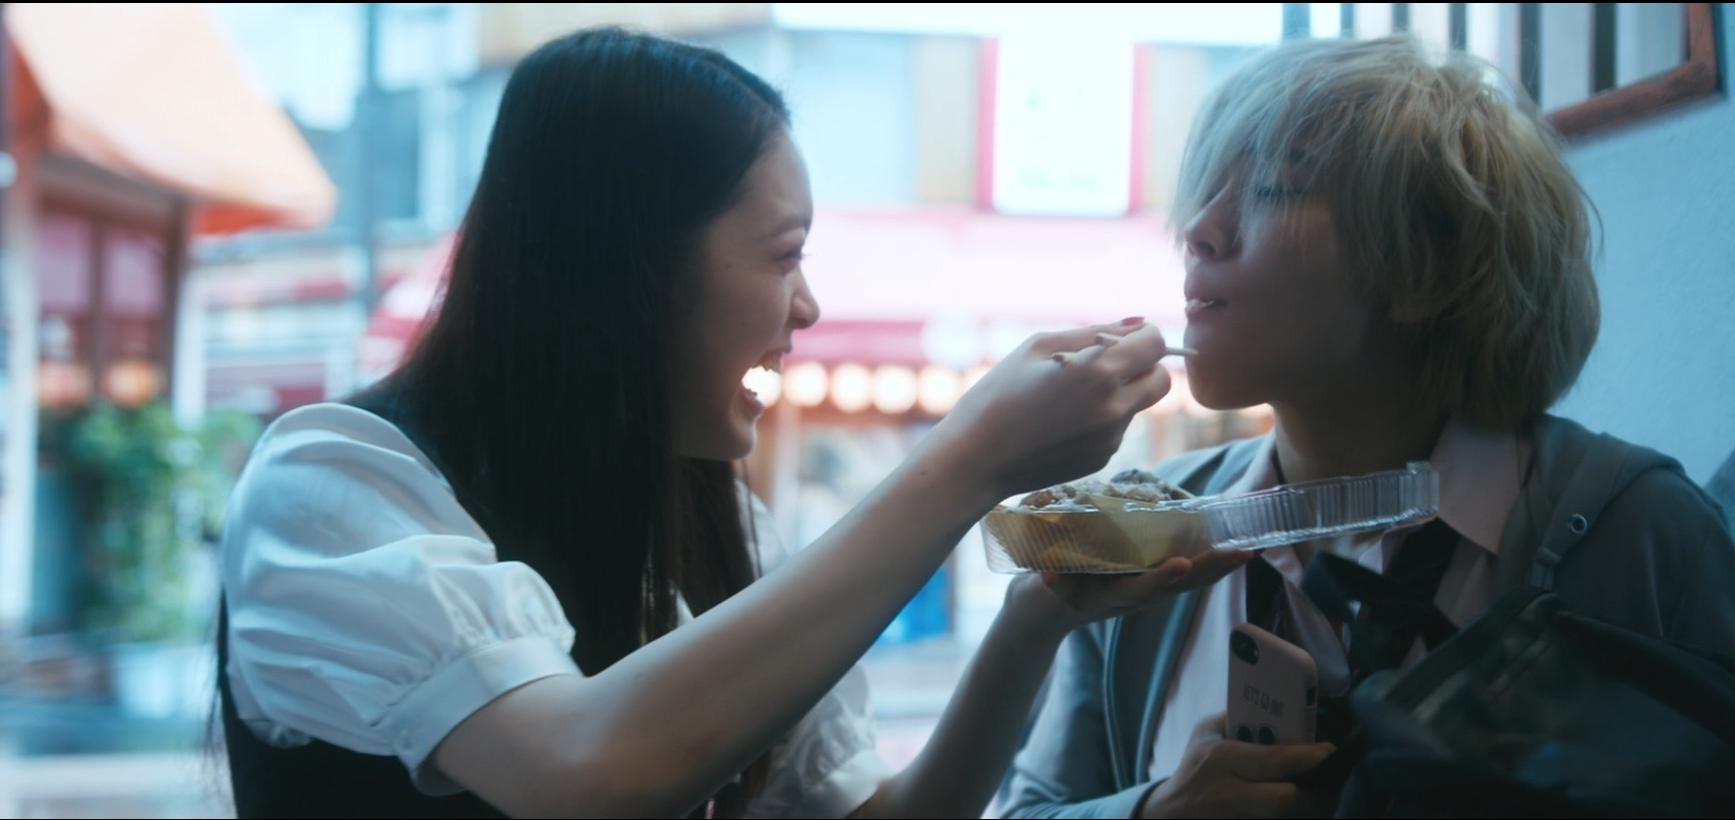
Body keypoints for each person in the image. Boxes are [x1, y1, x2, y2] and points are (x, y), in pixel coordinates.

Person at [216, 27, 1250, 819]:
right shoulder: (337, 483)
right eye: (782, 253)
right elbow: (583, 771)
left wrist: (1035, 619)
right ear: (632, 270)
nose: (805, 309)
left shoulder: (717, 519)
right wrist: (967, 459)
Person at [1003, 35, 1735, 819]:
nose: (1197, 231)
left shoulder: (1636, 527)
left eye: (1275, 190)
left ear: (1430, 272)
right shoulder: (1149, 540)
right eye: (1205, 192)